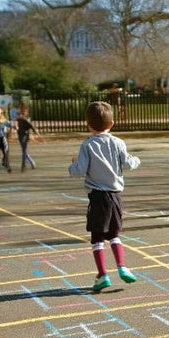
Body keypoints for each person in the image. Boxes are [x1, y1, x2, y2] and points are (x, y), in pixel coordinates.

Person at [68, 101, 141, 291]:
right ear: (111, 124)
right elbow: (128, 164)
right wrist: (136, 160)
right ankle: (122, 266)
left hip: (97, 198)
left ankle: (102, 275)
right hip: (115, 196)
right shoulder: (118, 142)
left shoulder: (87, 145)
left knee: (97, 238)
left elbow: (80, 171)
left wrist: (72, 165)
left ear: (88, 124)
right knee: (114, 234)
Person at [15, 103, 40, 172]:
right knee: (24, 151)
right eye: (21, 109)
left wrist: (35, 132)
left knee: (24, 151)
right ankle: (32, 162)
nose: (22, 111)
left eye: (24, 110)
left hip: (25, 135)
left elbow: (30, 125)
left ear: (26, 111)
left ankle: (23, 165)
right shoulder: (19, 117)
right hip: (20, 134)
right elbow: (16, 121)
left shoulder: (27, 118)